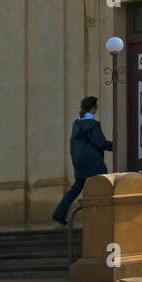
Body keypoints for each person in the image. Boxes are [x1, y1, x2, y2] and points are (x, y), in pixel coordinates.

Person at [52, 96, 113, 225]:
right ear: (93, 108)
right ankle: (107, 214)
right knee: (105, 183)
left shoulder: (77, 124)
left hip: (79, 161)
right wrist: (116, 145)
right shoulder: (92, 124)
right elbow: (100, 143)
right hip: (93, 161)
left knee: (77, 187)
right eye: (96, 106)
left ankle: (59, 213)